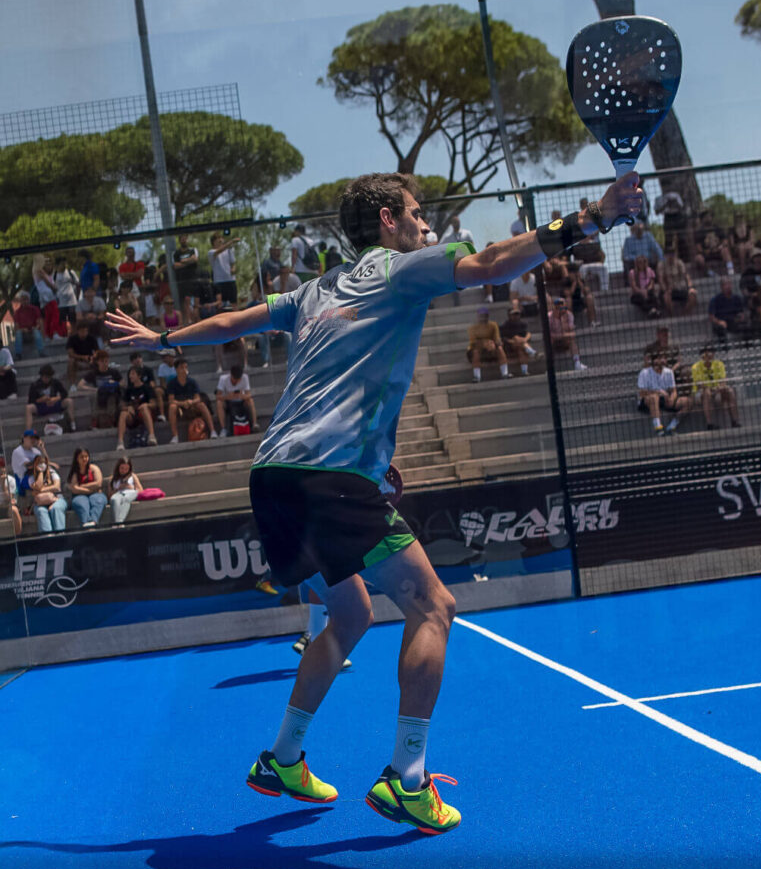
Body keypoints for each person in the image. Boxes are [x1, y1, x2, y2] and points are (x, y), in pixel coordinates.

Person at [107, 168, 642, 835]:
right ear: (388, 220)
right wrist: (591, 218)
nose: (426, 224)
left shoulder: (313, 290)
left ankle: (282, 758)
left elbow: (232, 322)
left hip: (272, 474)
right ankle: (407, 778)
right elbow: (491, 265)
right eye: (416, 213)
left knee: (351, 612)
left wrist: (163, 340)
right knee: (433, 606)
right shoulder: (404, 269)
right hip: (327, 475)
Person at [165, 357, 218, 443]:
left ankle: (213, 431)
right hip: (180, 408)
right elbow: (171, 400)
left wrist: (191, 402)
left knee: (201, 405)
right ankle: (175, 436)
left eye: (186, 367)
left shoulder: (192, 382)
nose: (184, 370)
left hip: (192, 406)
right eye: (182, 368)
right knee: (172, 407)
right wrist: (182, 403)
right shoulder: (172, 383)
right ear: (176, 370)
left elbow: (198, 398)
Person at [637, 352, 691, 436]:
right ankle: (658, 427)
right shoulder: (644, 372)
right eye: (659, 358)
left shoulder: (669, 372)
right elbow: (642, 392)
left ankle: (672, 426)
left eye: (664, 358)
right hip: (648, 401)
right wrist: (659, 392)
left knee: (688, 401)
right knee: (654, 397)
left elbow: (673, 390)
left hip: (664, 399)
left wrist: (672, 398)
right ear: (654, 360)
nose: (662, 360)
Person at [690, 345, 741, 430]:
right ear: (702, 356)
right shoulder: (695, 367)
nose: (708, 356)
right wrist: (712, 389)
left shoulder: (719, 364)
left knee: (730, 391)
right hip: (700, 392)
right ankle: (710, 424)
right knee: (707, 393)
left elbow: (723, 381)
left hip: (717, 390)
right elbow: (699, 385)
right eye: (706, 354)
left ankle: (734, 421)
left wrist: (719, 388)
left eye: (710, 353)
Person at [116, 366, 159, 450]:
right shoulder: (129, 389)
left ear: (139, 376)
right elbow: (121, 405)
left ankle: (152, 436)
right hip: (133, 415)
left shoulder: (147, 388)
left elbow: (154, 404)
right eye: (130, 374)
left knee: (144, 408)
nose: (130, 376)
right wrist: (128, 407)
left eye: (133, 374)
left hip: (144, 414)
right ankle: (120, 442)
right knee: (123, 413)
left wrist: (146, 405)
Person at [26, 363, 77, 432]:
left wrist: (56, 398)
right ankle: (28, 431)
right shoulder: (35, 385)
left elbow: (65, 393)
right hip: (42, 406)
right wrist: (41, 400)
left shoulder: (55, 382)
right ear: (41, 376)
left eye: (48, 377)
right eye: (45, 377)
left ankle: (73, 424)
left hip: (54, 404)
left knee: (69, 401)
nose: (46, 379)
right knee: (28, 408)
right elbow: (31, 401)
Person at [79, 349, 123, 428]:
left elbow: (123, 383)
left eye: (106, 361)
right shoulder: (93, 373)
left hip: (111, 394)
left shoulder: (113, 372)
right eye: (102, 361)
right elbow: (80, 385)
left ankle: (111, 420)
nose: (105, 363)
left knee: (112, 396)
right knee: (94, 395)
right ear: (97, 362)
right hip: (100, 395)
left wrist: (115, 383)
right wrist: (94, 389)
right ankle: (95, 421)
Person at [467, 305, 511, 382]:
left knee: (500, 349)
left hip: (492, 347)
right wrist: (484, 343)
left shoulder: (493, 325)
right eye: (481, 316)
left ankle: (505, 373)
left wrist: (495, 343)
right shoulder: (472, 328)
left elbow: (497, 338)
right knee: (475, 352)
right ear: (478, 316)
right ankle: (477, 377)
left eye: (485, 315)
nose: (483, 318)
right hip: (478, 349)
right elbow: (473, 343)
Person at [29, 449, 67, 534]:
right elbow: (37, 487)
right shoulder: (31, 477)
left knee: (56, 508)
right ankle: (47, 537)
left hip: (57, 500)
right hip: (40, 503)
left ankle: (60, 535)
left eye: (43, 463)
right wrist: (41, 473)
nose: (41, 465)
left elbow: (56, 487)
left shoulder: (53, 473)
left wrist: (41, 490)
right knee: (41, 511)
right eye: (39, 463)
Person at [66, 447, 107, 527]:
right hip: (80, 496)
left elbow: (98, 484)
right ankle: (86, 522)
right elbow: (74, 489)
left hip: (96, 494)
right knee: (80, 503)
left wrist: (82, 486)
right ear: (77, 459)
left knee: (98, 501)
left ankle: (93, 521)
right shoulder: (75, 472)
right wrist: (89, 491)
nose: (84, 459)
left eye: (86, 456)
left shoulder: (94, 468)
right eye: (82, 457)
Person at [216, 364, 259, 435]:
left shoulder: (245, 377)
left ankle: (255, 424)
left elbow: (248, 394)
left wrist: (241, 396)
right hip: (228, 401)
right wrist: (228, 396)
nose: (236, 382)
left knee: (250, 400)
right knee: (219, 403)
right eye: (234, 379)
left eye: (238, 379)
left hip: (241, 400)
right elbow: (218, 396)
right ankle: (223, 428)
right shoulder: (223, 379)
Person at [656, 245, 697, 315]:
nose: (671, 256)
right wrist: (665, 290)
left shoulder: (679, 262)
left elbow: (686, 275)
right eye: (669, 254)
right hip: (667, 290)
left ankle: (684, 314)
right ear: (665, 256)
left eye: (672, 254)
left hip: (679, 289)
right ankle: (671, 315)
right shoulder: (661, 264)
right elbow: (660, 279)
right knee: (666, 297)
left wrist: (690, 287)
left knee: (693, 295)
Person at [548, 298, 587, 370]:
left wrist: (563, 322)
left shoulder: (569, 315)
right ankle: (549, 366)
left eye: (563, 307)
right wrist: (562, 335)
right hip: (554, 340)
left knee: (571, 340)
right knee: (549, 341)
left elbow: (572, 334)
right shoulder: (549, 316)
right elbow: (548, 334)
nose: (560, 310)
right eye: (558, 308)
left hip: (564, 340)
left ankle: (577, 364)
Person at [499, 306, 539, 376]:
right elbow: (504, 339)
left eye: (517, 314)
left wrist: (524, 340)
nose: (516, 316)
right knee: (516, 338)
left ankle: (524, 371)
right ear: (509, 315)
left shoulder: (523, 324)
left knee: (521, 350)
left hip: (521, 345)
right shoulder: (505, 326)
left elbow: (528, 334)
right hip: (510, 346)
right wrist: (515, 341)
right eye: (514, 314)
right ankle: (532, 352)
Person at [708, 278, 749, 344]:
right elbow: (711, 317)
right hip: (722, 322)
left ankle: (747, 346)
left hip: (734, 321)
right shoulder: (715, 300)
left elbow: (741, 312)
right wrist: (719, 322)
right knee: (720, 329)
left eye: (729, 284)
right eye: (725, 284)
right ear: (721, 287)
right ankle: (724, 348)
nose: (728, 286)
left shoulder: (737, 298)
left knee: (746, 326)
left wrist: (741, 317)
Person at [127, 350, 166, 420]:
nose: (138, 360)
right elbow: (130, 385)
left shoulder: (148, 370)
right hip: (137, 391)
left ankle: (162, 414)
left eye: (139, 357)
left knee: (157, 391)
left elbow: (152, 382)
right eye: (135, 358)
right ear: (132, 362)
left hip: (148, 389)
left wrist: (150, 388)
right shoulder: (130, 372)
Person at [108, 456, 144, 525]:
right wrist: (118, 488)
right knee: (114, 500)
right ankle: (118, 523)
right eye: (122, 468)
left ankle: (118, 522)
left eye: (126, 469)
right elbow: (110, 496)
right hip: (118, 493)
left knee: (126, 499)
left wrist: (131, 487)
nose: (124, 471)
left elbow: (141, 490)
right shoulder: (112, 479)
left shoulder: (132, 476)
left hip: (130, 493)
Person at [66, 318, 100, 388]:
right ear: (78, 331)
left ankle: (97, 382)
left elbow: (97, 351)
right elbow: (70, 353)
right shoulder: (72, 339)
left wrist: (92, 357)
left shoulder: (91, 338)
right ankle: (72, 384)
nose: (84, 333)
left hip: (89, 359)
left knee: (98, 360)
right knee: (71, 362)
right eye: (82, 331)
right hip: (77, 360)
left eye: (85, 331)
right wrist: (82, 357)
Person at [173, 234, 199, 324]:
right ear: (179, 240)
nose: (184, 240)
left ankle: (196, 320)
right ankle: (188, 320)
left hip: (194, 279)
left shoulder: (193, 250)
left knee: (196, 301)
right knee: (186, 301)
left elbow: (195, 259)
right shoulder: (176, 253)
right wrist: (189, 261)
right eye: (182, 238)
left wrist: (183, 261)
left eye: (185, 238)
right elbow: (175, 266)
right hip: (183, 281)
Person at [208, 233, 241, 305]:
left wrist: (233, 269)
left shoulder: (229, 250)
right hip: (219, 282)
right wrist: (231, 242)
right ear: (213, 242)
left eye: (221, 238)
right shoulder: (211, 252)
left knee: (234, 303)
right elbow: (218, 251)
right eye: (218, 239)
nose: (220, 240)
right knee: (220, 305)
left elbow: (232, 263)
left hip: (230, 280)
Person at [12, 290, 45, 359]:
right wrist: (23, 330)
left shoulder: (35, 309)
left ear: (29, 300)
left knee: (36, 331)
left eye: (26, 299)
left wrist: (35, 327)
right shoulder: (17, 312)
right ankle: (18, 354)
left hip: (33, 332)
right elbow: (16, 328)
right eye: (23, 300)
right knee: (18, 333)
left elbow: (39, 323)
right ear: (20, 301)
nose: (24, 301)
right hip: (23, 334)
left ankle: (41, 352)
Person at [54, 256, 80, 335]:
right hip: (61, 302)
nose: (64, 265)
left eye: (65, 263)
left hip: (72, 301)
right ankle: (64, 335)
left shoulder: (70, 272)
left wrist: (77, 297)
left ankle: (75, 334)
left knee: (73, 320)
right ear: (57, 265)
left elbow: (78, 284)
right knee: (62, 321)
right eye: (62, 264)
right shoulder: (54, 275)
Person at [0, 456, 22, 536]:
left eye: (2, 467)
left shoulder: (11, 480)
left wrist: (3, 484)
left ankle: (17, 536)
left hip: (7, 507)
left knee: (14, 510)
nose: (1, 469)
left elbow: (10, 499)